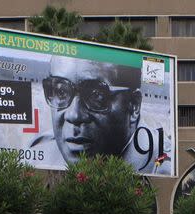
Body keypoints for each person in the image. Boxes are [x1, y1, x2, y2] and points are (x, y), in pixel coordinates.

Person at [31, 55, 170, 174]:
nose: (74, 115)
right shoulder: (40, 153)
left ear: (134, 105)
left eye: (97, 95)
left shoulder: (164, 166)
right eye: (61, 92)